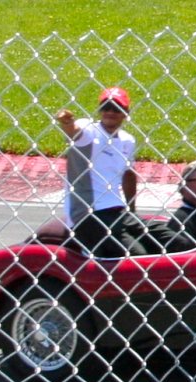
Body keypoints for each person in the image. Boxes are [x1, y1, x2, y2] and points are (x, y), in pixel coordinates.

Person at [54, 86, 146, 257]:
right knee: (136, 253)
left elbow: (128, 174)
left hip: (116, 209)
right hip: (88, 212)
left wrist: (131, 210)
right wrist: (67, 123)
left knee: (160, 238)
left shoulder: (127, 140)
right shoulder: (89, 130)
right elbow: (74, 133)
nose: (110, 112)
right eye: (106, 107)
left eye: (116, 108)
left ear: (126, 113)